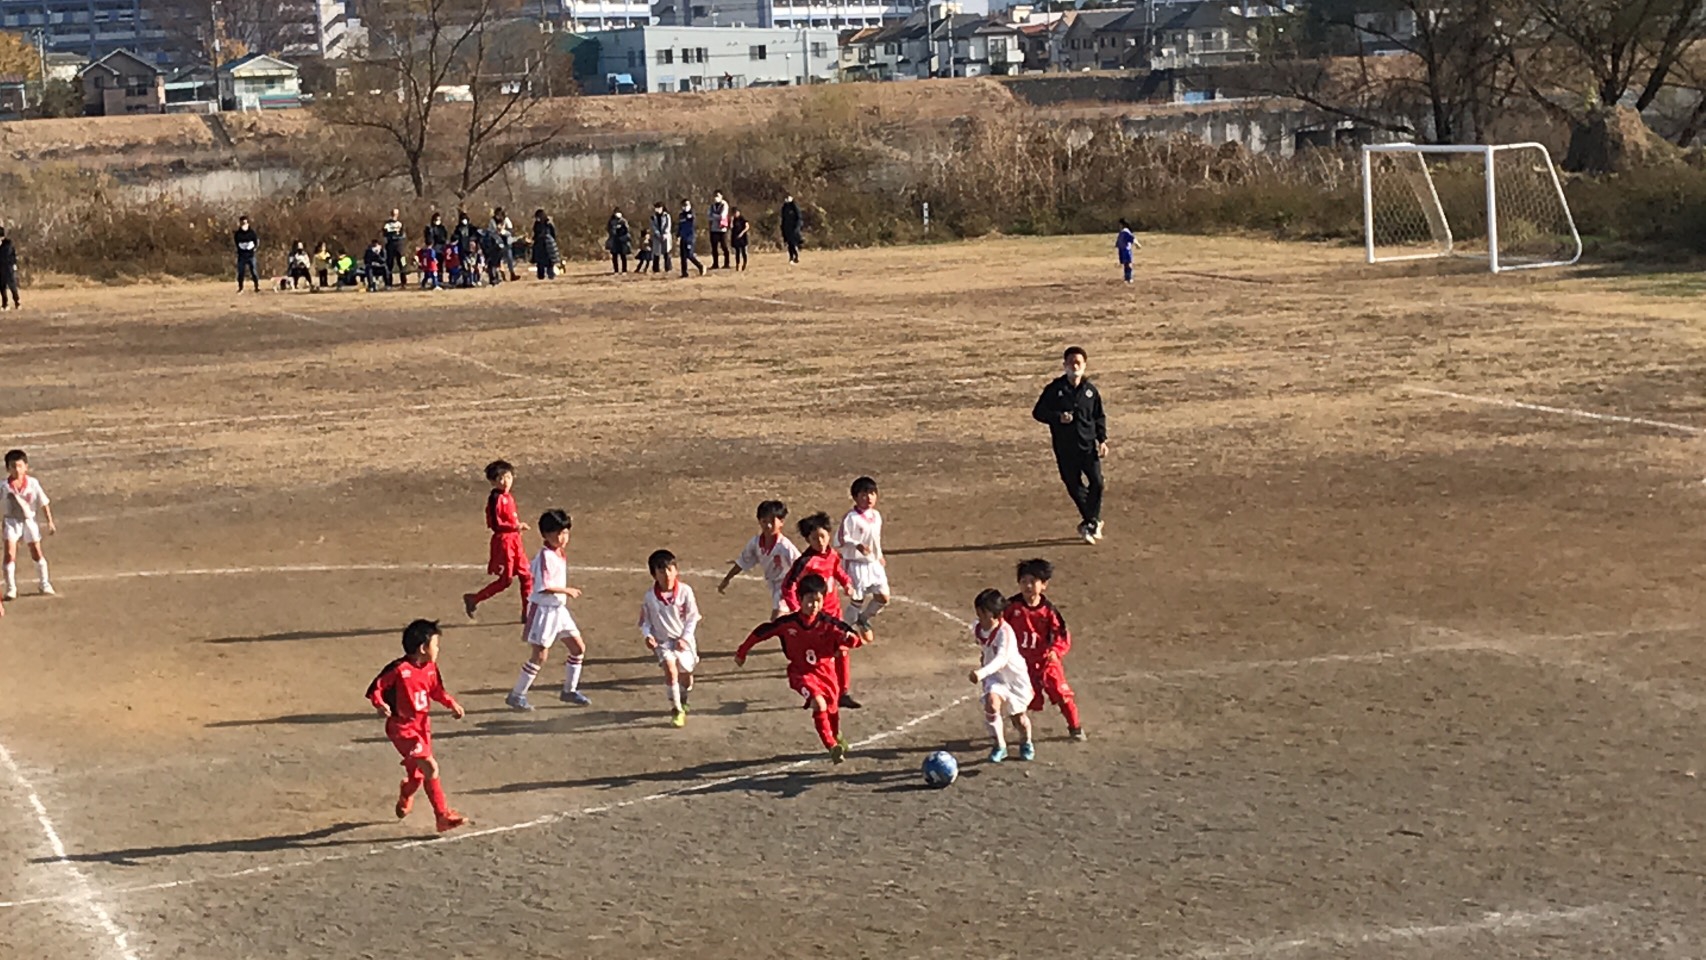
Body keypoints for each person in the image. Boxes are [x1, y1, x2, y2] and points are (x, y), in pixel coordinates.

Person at [734, 574, 866, 763]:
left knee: (832, 711)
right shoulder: (788, 624)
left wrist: (853, 640)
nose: (814, 605)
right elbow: (762, 631)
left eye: (818, 601)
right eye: (810, 600)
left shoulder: (829, 623)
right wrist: (742, 651)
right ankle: (831, 746)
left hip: (827, 674)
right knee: (818, 703)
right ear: (799, 599)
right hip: (801, 673)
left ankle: (835, 736)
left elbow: (851, 638)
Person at [366, 619, 468, 833]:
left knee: (419, 775)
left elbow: (436, 691)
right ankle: (442, 816)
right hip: (401, 728)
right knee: (430, 766)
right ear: (423, 648)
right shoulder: (399, 669)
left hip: (423, 727)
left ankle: (406, 791)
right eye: (435, 645)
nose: (438, 649)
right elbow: (376, 688)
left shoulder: (431, 668)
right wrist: (380, 703)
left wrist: (452, 703)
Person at [779, 511, 866, 709]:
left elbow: (838, 571)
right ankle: (814, 692)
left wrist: (847, 584)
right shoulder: (805, 562)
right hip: (816, 618)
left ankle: (842, 693)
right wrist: (797, 609)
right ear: (807, 540)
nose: (819, 541)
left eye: (823, 536)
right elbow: (787, 586)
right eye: (814, 538)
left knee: (842, 651)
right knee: (818, 657)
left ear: (829, 534)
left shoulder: (833, 554)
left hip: (834, 615)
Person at [508, 509, 589, 710]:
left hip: (559, 610)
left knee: (578, 648)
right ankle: (517, 694)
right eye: (557, 533)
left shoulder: (558, 553)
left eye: (565, 533)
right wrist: (567, 590)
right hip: (543, 611)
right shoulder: (545, 556)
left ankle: (569, 691)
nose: (562, 538)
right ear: (545, 535)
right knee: (539, 656)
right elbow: (544, 587)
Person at [1032, 346, 1107, 544]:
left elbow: (1098, 416)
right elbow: (1038, 412)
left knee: (1097, 483)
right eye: (1071, 362)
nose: (1074, 366)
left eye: (1078, 362)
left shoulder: (1090, 391)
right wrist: (1058, 418)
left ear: (1084, 365)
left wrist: (1103, 440)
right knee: (1074, 487)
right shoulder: (1054, 390)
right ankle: (1092, 521)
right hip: (1065, 449)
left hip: (1088, 446)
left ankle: (1090, 522)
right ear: (1064, 365)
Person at [1003, 558, 1084, 741]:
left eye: (1033, 581)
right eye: (1023, 581)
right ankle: (1024, 736)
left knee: (1062, 694)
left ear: (1044, 585)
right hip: (1022, 665)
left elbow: (1062, 635)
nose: (1028, 586)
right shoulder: (1011, 607)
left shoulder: (1049, 612)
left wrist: (1056, 651)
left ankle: (1075, 727)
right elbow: (999, 627)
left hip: (1046, 662)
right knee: (1020, 701)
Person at [970, 589, 1035, 763]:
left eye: (983, 615)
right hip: (995, 678)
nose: (980, 619)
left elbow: (1002, 659)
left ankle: (1026, 741)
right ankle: (1000, 746)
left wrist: (981, 672)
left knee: (1018, 718)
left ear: (996, 615)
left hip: (1014, 678)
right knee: (991, 704)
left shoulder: (1005, 633)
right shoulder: (977, 628)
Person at [462, 459, 531, 622]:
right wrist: (515, 527)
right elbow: (496, 524)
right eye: (500, 479)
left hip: (515, 540)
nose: (505, 482)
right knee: (505, 580)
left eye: (507, 477)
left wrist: (517, 530)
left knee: (526, 575)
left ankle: (527, 612)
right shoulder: (496, 499)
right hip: (504, 542)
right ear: (492, 482)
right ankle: (474, 599)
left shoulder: (509, 497)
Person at [640, 549, 701, 728]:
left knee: (686, 676)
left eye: (669, 569)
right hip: (663, 642)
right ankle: (676, 710)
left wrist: (685, 638)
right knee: (670, 671)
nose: (666, 574)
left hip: (684, 642)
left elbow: (692, 617)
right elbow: (645, 621)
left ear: (676, 570)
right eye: (661, 571)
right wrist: (648, 636)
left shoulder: (685, 592)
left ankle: (683, 698)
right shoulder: (650, 597)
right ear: (654, 574)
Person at [717, 499, 801, 620]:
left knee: (777, 619)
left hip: (787, 586)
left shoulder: (785, 547)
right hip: (774, 585)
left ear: (781, 522)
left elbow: (802, 564)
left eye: (772, 521)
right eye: (764, 521)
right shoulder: (755, 543)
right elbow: (743, 562)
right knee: (790, 621)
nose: (768, 525)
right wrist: (727, 579)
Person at [837, 476, 889, 632]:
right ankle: (842, 631)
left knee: (883, 597)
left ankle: (863, 619)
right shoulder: (851, 518)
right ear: (855, 497)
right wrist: (857, 545)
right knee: (857, 600)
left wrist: (879, 555)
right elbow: (841, 538)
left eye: (872, 493)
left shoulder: (877, 516)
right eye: (864, 494)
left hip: (873, 563)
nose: (869, 498)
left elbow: (876, 538)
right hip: (856, 564)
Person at [3, 450, 54, 600]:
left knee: (36, 552)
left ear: (26, 467)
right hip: (11, 522)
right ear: (8, 468)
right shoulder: (4, 487)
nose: (16, 470)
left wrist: (49, 521)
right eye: (13, 466)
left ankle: (44, 583)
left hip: (29, 521)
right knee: (9, 555)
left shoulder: (33, 483)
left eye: (19, 466)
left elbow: (44, 503)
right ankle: (11, 589)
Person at [677, 198, 704, 278]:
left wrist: (689, 216)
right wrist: (678, 235)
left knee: (689, 254)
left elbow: (692, 223)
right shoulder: (681, 215)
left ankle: (700, 266)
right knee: (683, 256)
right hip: (683, 237)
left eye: (687, 205)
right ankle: (684, 273)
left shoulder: (691, 214)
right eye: (684, 205)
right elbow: (680, 226)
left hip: (690, 237)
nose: (685, 207)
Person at [488, 207, 517, 281]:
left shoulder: (506, 219)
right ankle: (498, 276)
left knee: (509, 258)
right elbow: (491, 232)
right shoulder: (492, 221)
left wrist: (504, 231)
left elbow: (510, 229)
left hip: (506, 241)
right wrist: (497, 232)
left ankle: (512, 273)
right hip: (496, 242)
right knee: (497, 260)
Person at [234, 215, 260, 292]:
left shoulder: (252, 233)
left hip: (251, 255)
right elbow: (236, 243)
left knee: (254, 271)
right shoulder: (238, 233)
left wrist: (254, 248)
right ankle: (240, 288)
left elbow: (256, 242)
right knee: (241, 272)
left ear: (248, 223)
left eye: (245, 223)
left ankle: (257, 287)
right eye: (242, 223)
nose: (243, 224)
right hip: (241, 255)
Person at [382, 209, 408, 288]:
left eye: (396, 214)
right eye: (393, 214)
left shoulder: (400, 224)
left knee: (402, 263)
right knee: (389, 264)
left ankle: (403, 283)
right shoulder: (387, 224)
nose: (394, 215)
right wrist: (392, 235)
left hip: (400, 247)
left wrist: (398, 236)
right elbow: (385, 234)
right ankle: (388, 283)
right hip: (390, 246)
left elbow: (403, 234)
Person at [531, 209, 558, 281]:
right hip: (539, 244)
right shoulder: (536, 224)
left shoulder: (548, 223)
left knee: (549, 261)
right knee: (539, 261)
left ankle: (551, 274)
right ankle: (540, 275)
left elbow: (553, 233)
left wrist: (551, 240)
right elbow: (535, 233)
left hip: (548, 243)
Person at [423, 213, 449, 286]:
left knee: (440, 265)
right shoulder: (429, 228)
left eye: (439, 219)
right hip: (433, 249)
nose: (438, 221)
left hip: (441, 248)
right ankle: (430, 280)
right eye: (436, 219)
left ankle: (439, 280)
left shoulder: (442, 228)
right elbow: (428, 238)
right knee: (431, 266)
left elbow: (445, 237)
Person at [708, 190, 731, 269]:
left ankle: (727, 263)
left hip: (722, 229)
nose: (715, 197)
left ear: (721, 196)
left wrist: (714, 216)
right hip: (713, 229)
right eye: (714, 196)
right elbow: (708, 216)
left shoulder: (724, 204)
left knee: (724, 246)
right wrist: (715, 217)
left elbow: (722, 216)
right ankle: (715, 264)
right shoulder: (712, 206)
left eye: (717, 195)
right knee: (714, 247)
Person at [649, 202, 673, 274]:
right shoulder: (653, 217)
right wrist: (658, 234)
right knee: (656, 253)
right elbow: (653, 226)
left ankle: (668, 268)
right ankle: (656, 269)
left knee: (666, 252)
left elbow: (668, 225)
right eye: (656, 208)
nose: (657, 209)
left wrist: (665, 234)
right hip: (657, 237)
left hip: (666, 236)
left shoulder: (667, 216)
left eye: (659, 208)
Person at [1116, 218, 1141, 284]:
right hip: (1122, 250)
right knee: (1125, 264)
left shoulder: (1125, 231)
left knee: (1128, 264)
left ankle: (1129, 277)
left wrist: (1137, 244)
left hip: (1126, 250)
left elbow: (1132, 238)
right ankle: (1126, 277)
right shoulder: (1122, 232)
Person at [0, 227, 20, 310]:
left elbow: (12, 255)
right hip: (0, 268)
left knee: (12, 286)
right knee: (2, 287)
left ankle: (17, 302)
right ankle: (5, 304)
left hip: (8, 268)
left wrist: (14, 264)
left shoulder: (8, 244)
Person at [606, 209, 631, 274]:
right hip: (614, 240)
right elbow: (609, 229)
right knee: (614, 256)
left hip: (622, 240)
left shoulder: (624, 221)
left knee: (623, 255)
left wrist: (621, 231)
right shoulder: (611, 221)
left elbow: (627, 230)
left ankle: (624, 270)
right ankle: (616, 270)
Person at [780, 195, 802, 264]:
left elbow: (799, 218)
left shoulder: (795, 207)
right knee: (789, 244)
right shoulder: (784, 207)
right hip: (787, 228)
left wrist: (797, 227)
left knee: (793, 243)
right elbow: (783, 218)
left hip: (794, 228)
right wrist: (782, 228)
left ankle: (796, 256)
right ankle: (791, 257)